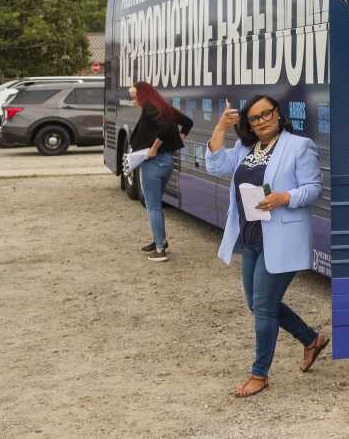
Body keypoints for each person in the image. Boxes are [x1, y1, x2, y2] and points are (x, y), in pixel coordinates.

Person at [205, 95, 329, 398]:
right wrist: (221, 126)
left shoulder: (299, 146)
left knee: (262, 307)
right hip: (251, 239)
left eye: (266, 114)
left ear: (278, 114)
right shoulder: (246, 148)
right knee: (257, 304)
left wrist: (283, 198)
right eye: (254, 118)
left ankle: (259, 374)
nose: (261, 121)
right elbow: (216, 166)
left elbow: (314, 189)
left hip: (282, 238)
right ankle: (311, 340)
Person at [129, 82, 193, 262]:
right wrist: (176, 142)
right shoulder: (162, 106)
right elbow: (187, 123)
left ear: (143, 95)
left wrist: (154, 147)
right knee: (155, 203)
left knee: (153, 206)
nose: (133, 100)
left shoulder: (149, 107)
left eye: (134, 96)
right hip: (167, 161)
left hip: (153, 163)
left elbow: (164, 127)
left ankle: (159, 249)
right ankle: (160, 241)